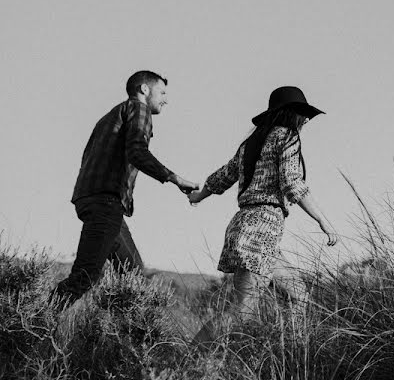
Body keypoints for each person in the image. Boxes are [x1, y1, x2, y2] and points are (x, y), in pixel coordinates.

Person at [188, 86, 337, 343]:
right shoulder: (286, 136)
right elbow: (292, 182)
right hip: (261, 231)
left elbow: (225, 175)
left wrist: (198, 196)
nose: (305, 121)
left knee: (297, 294)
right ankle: (189, 355)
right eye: (302, 114)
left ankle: (291, 351)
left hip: (246, 228)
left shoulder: (251, 143)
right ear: (291, 114)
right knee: (242, 311)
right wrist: (323, 221)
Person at [53, 70, 198, 308]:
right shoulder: (138, 109)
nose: (166, 99)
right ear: (144, 89)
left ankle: (131, 339)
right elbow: (137, 151)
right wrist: (174, 178)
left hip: (96, 201)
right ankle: (32, 323)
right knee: (86, 275)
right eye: (162, 92)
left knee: (133, 277)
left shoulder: (109, 117)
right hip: (106, 202)